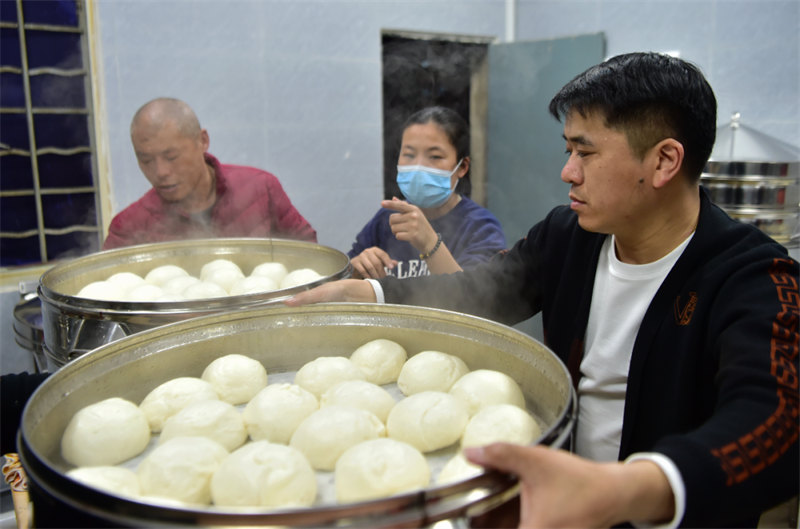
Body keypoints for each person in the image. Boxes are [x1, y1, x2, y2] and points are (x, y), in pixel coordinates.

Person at [286, 52, 799, 527]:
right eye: (567, 148)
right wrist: (372, 296)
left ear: (664, 161)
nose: (566, 172)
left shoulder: (753, 277)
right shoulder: (569, 236)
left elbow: (777, 421)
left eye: (585, 152)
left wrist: (629, 489)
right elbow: (485, 291)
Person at [102, 98, 317, 249]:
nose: (160, 172)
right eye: (146, 160)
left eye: (171, 156)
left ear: (202, 140)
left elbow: (308, 254)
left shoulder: (261, 189)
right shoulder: (129, 228)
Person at [348, 106, 506, 279]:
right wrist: (357, 269)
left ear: (462, 167)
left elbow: (475, 298)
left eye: (435, 157)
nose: (418, 167)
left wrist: (430, 243)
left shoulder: (480, 227)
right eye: (409, 155)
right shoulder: (387, 219)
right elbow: (343, 278)